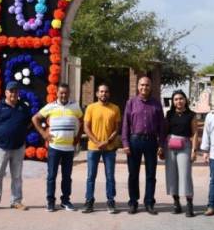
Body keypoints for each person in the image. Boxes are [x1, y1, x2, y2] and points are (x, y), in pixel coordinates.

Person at [32, 83, 83, 212]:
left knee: (67, 176)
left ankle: (65, 201)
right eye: (61, 93)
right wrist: (44, 134)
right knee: (52, 176)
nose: (63, 95)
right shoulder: (50, 106)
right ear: (57, 93)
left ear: (69, 93)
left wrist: (78, 137)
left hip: (69, 148)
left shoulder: (75, 107)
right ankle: (50, 201)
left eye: (66, 93)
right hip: (54, 147)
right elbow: (35, 118)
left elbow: (82, 121)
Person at [0, 81, 32, 211]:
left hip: (18, 147)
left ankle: (16, 201)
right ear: (6, 93)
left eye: (16, 91)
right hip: (1, 147)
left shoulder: (23, 107)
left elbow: (30, 122)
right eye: (11, 91)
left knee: (17, 176)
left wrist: (19, 132)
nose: (14, 94)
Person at [122, 76, 165, 215]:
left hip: (151, 141)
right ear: (138, 86)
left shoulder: (156, 104)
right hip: (135, 141)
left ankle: (149, 202)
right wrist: (125, 143)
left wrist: (161, 144)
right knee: (133, 174)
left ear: (150, 86)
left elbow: (161, 126)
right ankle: (133, 202)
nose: (144, 87)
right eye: (142, 85)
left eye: (147, 85)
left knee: (151, 174)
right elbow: (125, 125)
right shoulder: (131, 103)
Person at [82, 84, 121, 214]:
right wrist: (97, 142)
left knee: (110, 176)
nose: (104, 94)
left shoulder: (115, 108)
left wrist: (108, 141)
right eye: (101, 91)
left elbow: (117, 128)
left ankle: (110, 201)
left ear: (109, 94)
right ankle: (89, 201)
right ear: (97, 94)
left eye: (106, 92)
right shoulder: (91, 108)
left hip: (109, 148)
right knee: (90, 176)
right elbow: (86, 127)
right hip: (93, 148)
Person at [163, 90, 199, 218]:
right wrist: (161, 147)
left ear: (186, 100)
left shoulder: (191, 115)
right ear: (173, 101)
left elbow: (195, 133)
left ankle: (189, 205)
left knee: (185, 175)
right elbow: (165, 131)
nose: (179, 101)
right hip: (170, 146)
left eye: (181, 98)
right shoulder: (169, 114)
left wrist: (194, 150)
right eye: (176, 99)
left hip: (185, 146)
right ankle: (176, 203)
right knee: (171, 175)